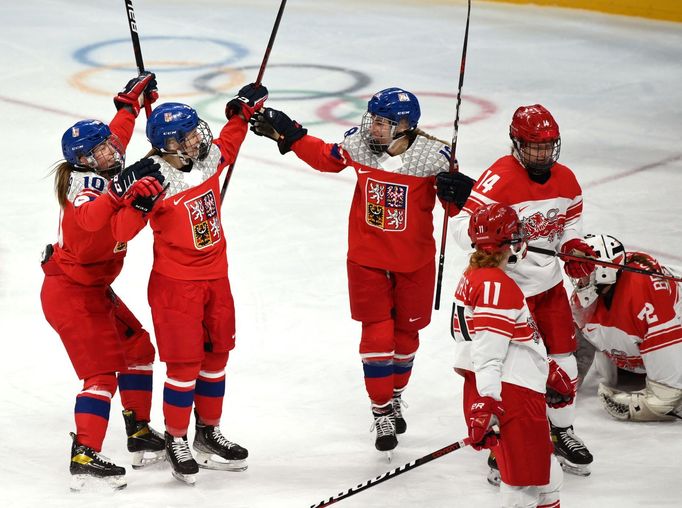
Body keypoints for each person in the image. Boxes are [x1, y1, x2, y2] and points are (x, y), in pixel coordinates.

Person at [249, 87, 475, 456]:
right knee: (377, 334)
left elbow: (457, 212)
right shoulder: (359, 145)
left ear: (405, 125)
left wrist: (461, 192)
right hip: (366, 260)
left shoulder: (434, 157)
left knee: (406, 337)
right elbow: (326, 158)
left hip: (414, 263)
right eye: (373, 119)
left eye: (383, 122)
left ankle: (396, 396)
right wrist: (290, 133)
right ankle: (382, 409)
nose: (374, 127)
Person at [132, 83, 268, 485]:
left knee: (216, 358)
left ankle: (208, 434)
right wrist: (135, 200)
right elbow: (119, 230)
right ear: (169, 143)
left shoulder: (206, 160)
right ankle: (177, 438)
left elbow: (229, 142)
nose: (198, 138)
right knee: (184, 365)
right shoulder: (153, 178)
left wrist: (241, 113)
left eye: (196, 130)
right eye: (188, 135)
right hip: (176, 288)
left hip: (216, 281)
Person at [450, 104, 596, 477]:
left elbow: (571, 225)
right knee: (508, 371)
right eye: (534, 147)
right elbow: (461, 231)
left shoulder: (566, 180)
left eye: (548, 146)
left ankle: (561, 431)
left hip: (548, 288)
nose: (542, 154)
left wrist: (574, 249)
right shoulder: (499, 180)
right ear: (516, 144)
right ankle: (502, 444)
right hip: (508, 293)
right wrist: (493, 236)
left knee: (564, 361)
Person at [41, 72, 168, 491]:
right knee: (99, 375)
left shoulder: (103, 160)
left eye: (109, 146)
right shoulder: (85, 191)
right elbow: (97, 220)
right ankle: (84, 454)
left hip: (91, 288)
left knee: (137, 347)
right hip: (71, 294)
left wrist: (128, 106)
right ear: (85, 160)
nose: (114, 150)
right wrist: (128, 197)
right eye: (102, 149)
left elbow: (116, 135)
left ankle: (138, 431)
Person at [452, 203, 570, 508]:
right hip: (510, 394)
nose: (520, 239)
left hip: (509, 386)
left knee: (546, 478)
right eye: (515, 233)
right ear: (505, 242)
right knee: (524, 488)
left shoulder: (477, 275)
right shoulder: (497, 286)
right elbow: (488, 353)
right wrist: (489, 402)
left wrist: (544, 370)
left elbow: (487, 341)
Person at [569, 234, 682, 421]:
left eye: (585, 272)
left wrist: (638, 407)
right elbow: (578, 347)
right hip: (642, 357)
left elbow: (668, 393)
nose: (579, 280)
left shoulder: (646, 297)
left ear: (604, 270)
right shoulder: (590, 295)